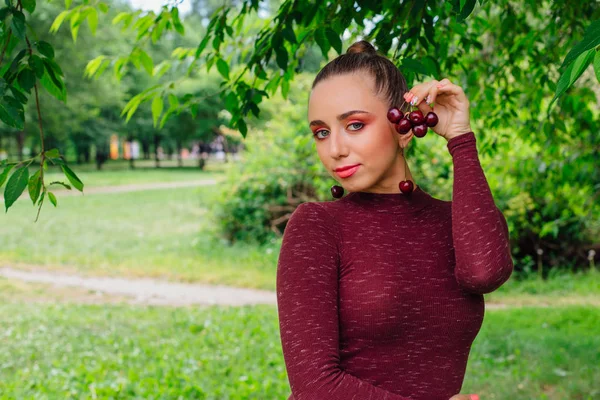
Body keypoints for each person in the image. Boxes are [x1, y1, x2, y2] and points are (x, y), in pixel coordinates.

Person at [276, 39, 513, 400]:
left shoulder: (453, 221)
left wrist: (461, 139)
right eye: (321, 132)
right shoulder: (317, 227)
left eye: (354, 125)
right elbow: (314, 386)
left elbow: (485, 272)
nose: (335, 149)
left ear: (402, 127)